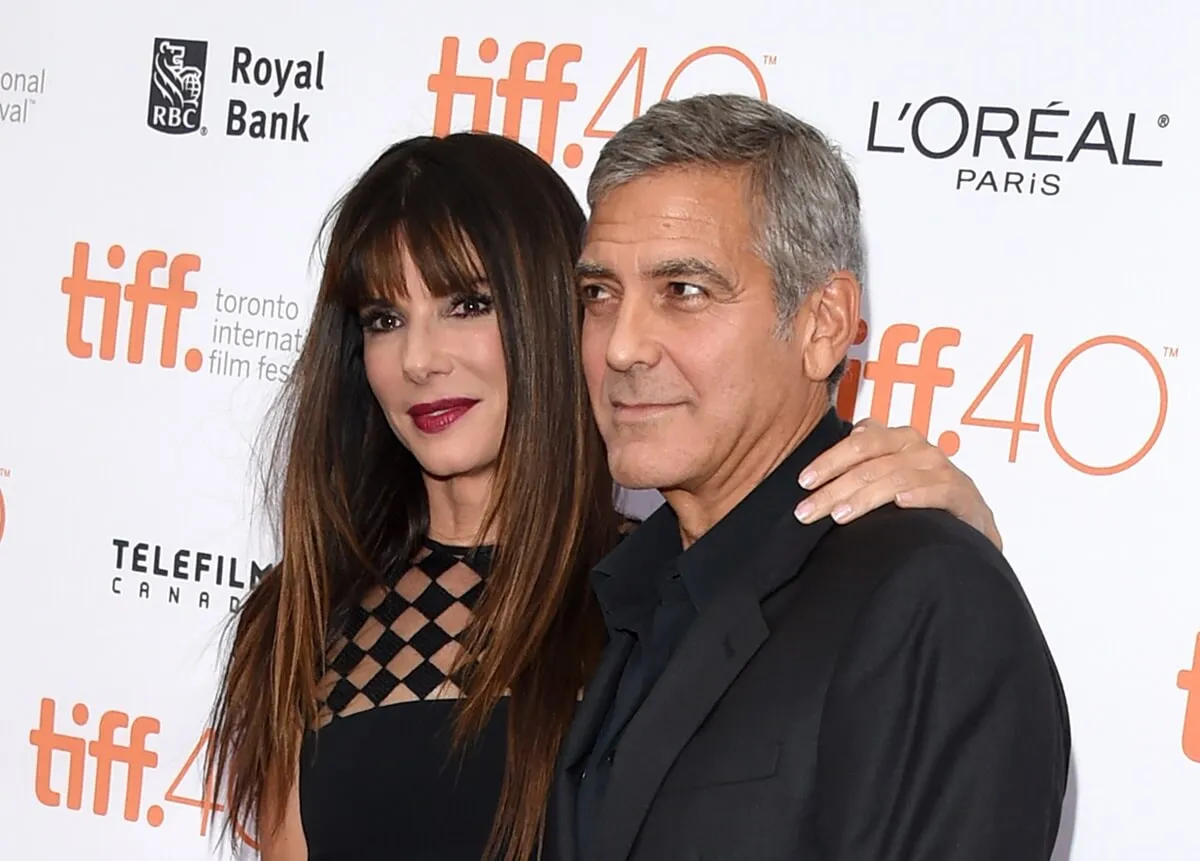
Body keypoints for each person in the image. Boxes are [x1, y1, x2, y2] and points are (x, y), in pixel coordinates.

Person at [204, 130, 1008, 861]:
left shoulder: (659, 588)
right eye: (383, 317)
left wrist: (962, 539)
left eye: (468, 305)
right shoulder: (307, 609)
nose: (419, 358)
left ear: (554, 318)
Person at [547, 94, 1070, 861]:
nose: (621, 346)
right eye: (599, 295)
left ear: (823, 324)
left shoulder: (926, 593)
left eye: (683, 292)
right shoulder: (632, 586)